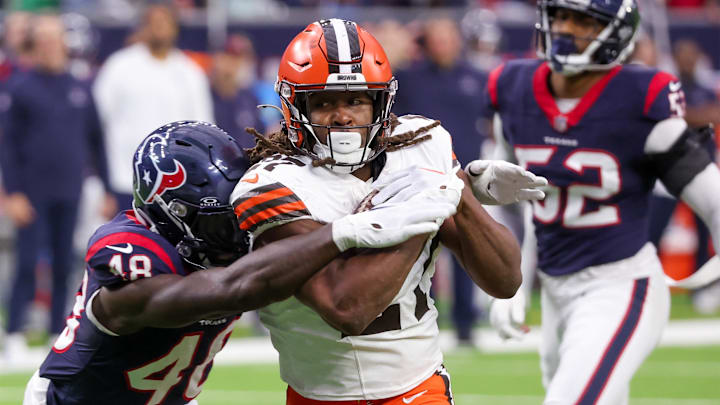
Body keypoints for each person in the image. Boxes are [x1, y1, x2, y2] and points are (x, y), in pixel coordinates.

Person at [23, 120, 456, 405]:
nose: (235, 232)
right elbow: (230, 288)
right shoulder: (128, 254)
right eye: (219, 222)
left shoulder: (219, 241)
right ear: (172, 214)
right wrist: (342, 233)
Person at [231, 19, 546, 403]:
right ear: (295, 106)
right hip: (320, 394)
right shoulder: (271, 183)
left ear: (380, 103)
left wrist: (459, 194)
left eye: (356, 100)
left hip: (418, 386)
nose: (342, 116)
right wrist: (419, 210)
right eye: (324, 102)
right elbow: (346, 308)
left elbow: (505, 280)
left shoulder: (421, 147)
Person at [485, 1, 720, 404]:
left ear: (617, 34)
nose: (564, 28)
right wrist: (511, 285)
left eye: (582, 20)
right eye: (559, 16)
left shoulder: (640, 98)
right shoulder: (513, 87)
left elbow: (712, 200)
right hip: (555, 288)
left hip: (619, 283)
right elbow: (518, 198)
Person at [0, 14, 115, 361]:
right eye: (44, 39)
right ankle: (15, 330)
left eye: (56, 38)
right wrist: (13, 192)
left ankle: (56, 328)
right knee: (27, 260)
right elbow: (7, 145)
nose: (51, 45)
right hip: (32, 191)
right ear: (35, 45)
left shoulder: (79, 86)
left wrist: (108, 187)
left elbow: (97, 140)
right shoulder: (19, 87)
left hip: (70, 188)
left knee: (67, 262)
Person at [392, 16, 491, 346]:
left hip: (464, 178)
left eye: (447, 37)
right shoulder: (408, 77)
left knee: (466, 249)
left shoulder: (476, 78)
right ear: (427, 42)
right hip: (418, 180)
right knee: (419, 251)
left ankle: (466, 326)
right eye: (436, 38)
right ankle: (422, 321)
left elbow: (491, 122)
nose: (443, 44)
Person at [93, 3, 213, 211]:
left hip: (175, 182)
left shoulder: (190, 73)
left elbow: (202, 128)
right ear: (143, 27)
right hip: (125, 177)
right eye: (153, 23)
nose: (159, 28)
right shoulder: (119, 66)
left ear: (175, 28)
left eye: (165, 23)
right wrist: (101, 181)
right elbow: (96, 122)